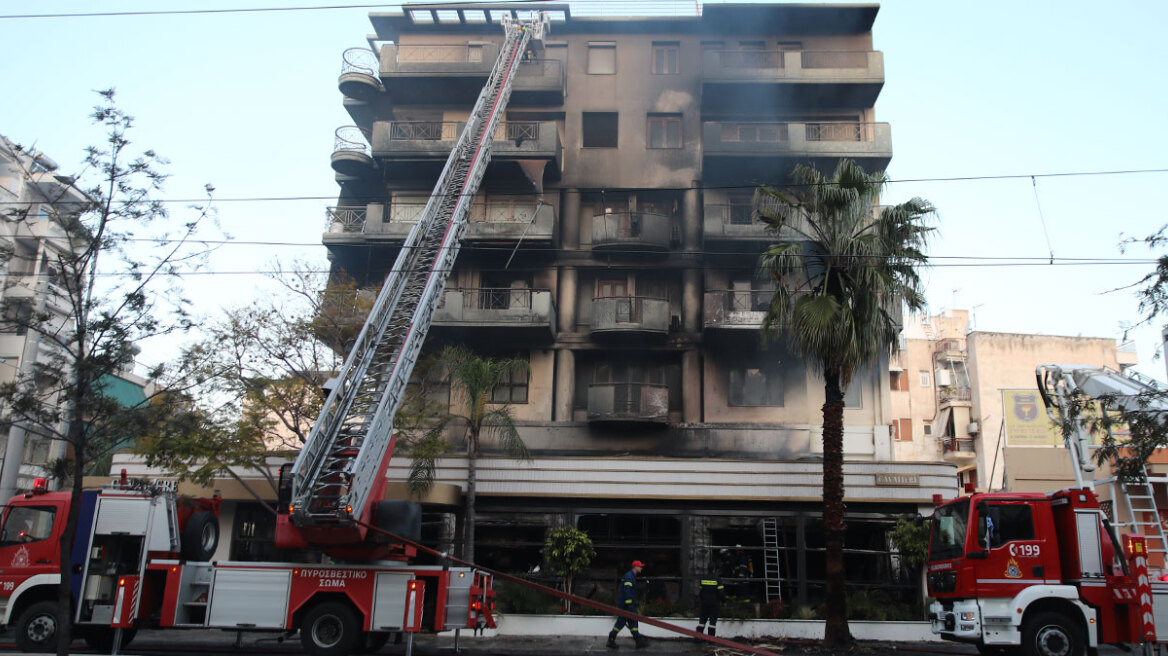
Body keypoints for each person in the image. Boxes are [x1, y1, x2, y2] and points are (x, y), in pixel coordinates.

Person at [607, 560, 649, 650]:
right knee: (621, 623)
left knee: (633, 621)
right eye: (640, 566)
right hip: (625, 605)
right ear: (635, 567)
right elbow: (627, 591)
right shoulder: (629, 577)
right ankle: (611, 639)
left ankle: (638, 641)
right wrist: (630, 605)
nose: (641, 568)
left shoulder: (631, 576)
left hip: (627, 605)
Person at [695, 563, 724, 640]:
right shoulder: (718, 580)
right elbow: (721, 593)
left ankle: (698, 638)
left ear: (707, 569)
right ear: (714, 570)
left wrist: (701, 600)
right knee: (712, 622)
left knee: (702, 621)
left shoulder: (703, 579)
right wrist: (723, 601)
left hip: (704, 603)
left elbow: (700, 592)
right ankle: (711, 640)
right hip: (714, 603)